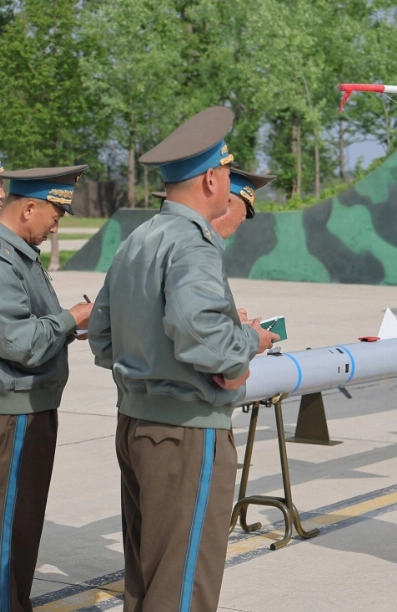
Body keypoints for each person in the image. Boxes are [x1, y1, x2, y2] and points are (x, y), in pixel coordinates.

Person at [89, 107, 279, 612]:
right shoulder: (193, 244)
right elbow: (206, 338)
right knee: (184, 586)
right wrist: (249, 343)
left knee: (149, 581)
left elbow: (104, 338)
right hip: (185, 436)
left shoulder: (138, 240)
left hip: (137, 425)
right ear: (214, 178)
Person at [0, 165, 92, 611]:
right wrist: (71, 317)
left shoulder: (20, 255)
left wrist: (71, 326)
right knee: (9, 528)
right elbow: (19, 343)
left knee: (22, 522)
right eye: (55, 213)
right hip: (14, 413)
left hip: (31, 407)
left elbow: (34, 325)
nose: (57, 225)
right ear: (28, 208)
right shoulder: (2, 258)